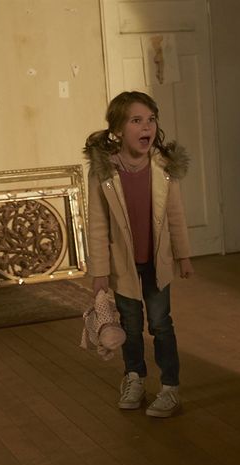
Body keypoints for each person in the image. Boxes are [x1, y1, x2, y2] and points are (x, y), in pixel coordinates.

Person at [83, 91, 195, 418]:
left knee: (160, 324)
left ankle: (170, 387)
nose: (146, 127)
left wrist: (184, 256)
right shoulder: (104, 172)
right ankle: (134, 377)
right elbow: (98, 224)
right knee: (130, 327)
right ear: (118, 129)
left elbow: (175, 215)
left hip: (157, 263)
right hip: (123, 266)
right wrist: (100, 271)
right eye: (136, 120)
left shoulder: (163, 167)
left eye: (151, 120)